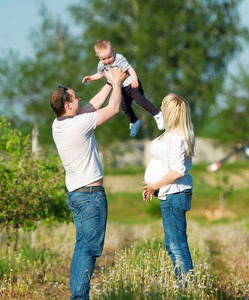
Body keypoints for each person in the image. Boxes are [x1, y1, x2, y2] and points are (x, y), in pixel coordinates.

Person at [50, 67, 128, 300]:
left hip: (77, 194)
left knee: (82, 246)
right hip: (91, 195)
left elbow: (89, 108)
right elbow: (113, 109)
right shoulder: (77, 125)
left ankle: (78, 296)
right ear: (67, 105)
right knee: (88, 249)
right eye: (75, 97)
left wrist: (108, 83)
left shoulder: (59, 124)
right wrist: (117, 84)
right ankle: (79, 297)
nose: (80, 98)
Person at [142, 93, 195, 282]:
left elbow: (177, 171)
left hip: (174, 193)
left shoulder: (176, 137)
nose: (160, 109)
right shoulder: (171, 134)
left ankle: (187, 287)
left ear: (169, 111)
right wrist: (153, 187)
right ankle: (183, 282)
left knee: (177, 244)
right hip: (168, 193)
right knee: (171, 243)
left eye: (163, 106)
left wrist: (154, 185)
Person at [82, 39, 164, 137]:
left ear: (113, 51)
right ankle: (134, 121)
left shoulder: (118, 59)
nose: (107, 61)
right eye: (103, 59)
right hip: (121, 88)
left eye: (109, 57)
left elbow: (129, 68)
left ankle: (157, 114)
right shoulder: (101, 64)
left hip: (131, 84)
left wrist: (134, 79)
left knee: (140, 100)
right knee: (123, 105)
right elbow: (100, 75)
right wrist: (91, 78)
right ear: (98, 57)